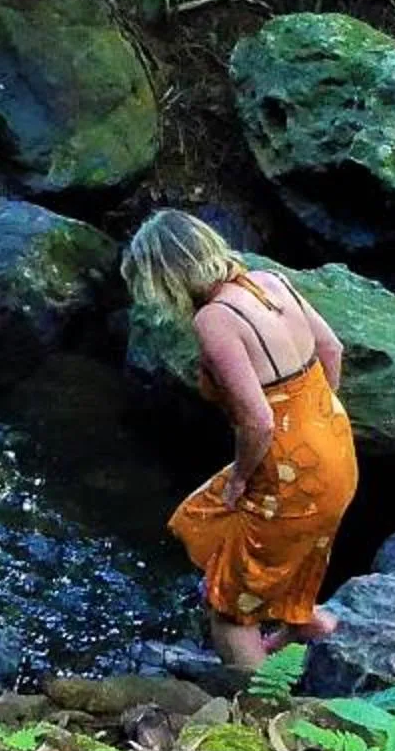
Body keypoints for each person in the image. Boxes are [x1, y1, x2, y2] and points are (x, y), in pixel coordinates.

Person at [122, 210, 358, 672]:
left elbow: (258, 422)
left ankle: (261, 712)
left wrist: (240, 480)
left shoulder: (215, 319)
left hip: (293, 470)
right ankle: (304, 622)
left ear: (166, 277)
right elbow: (332, 350)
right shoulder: (271, 281)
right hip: (336, 445)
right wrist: (316, 417)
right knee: (208, 517)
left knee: (228, 609)